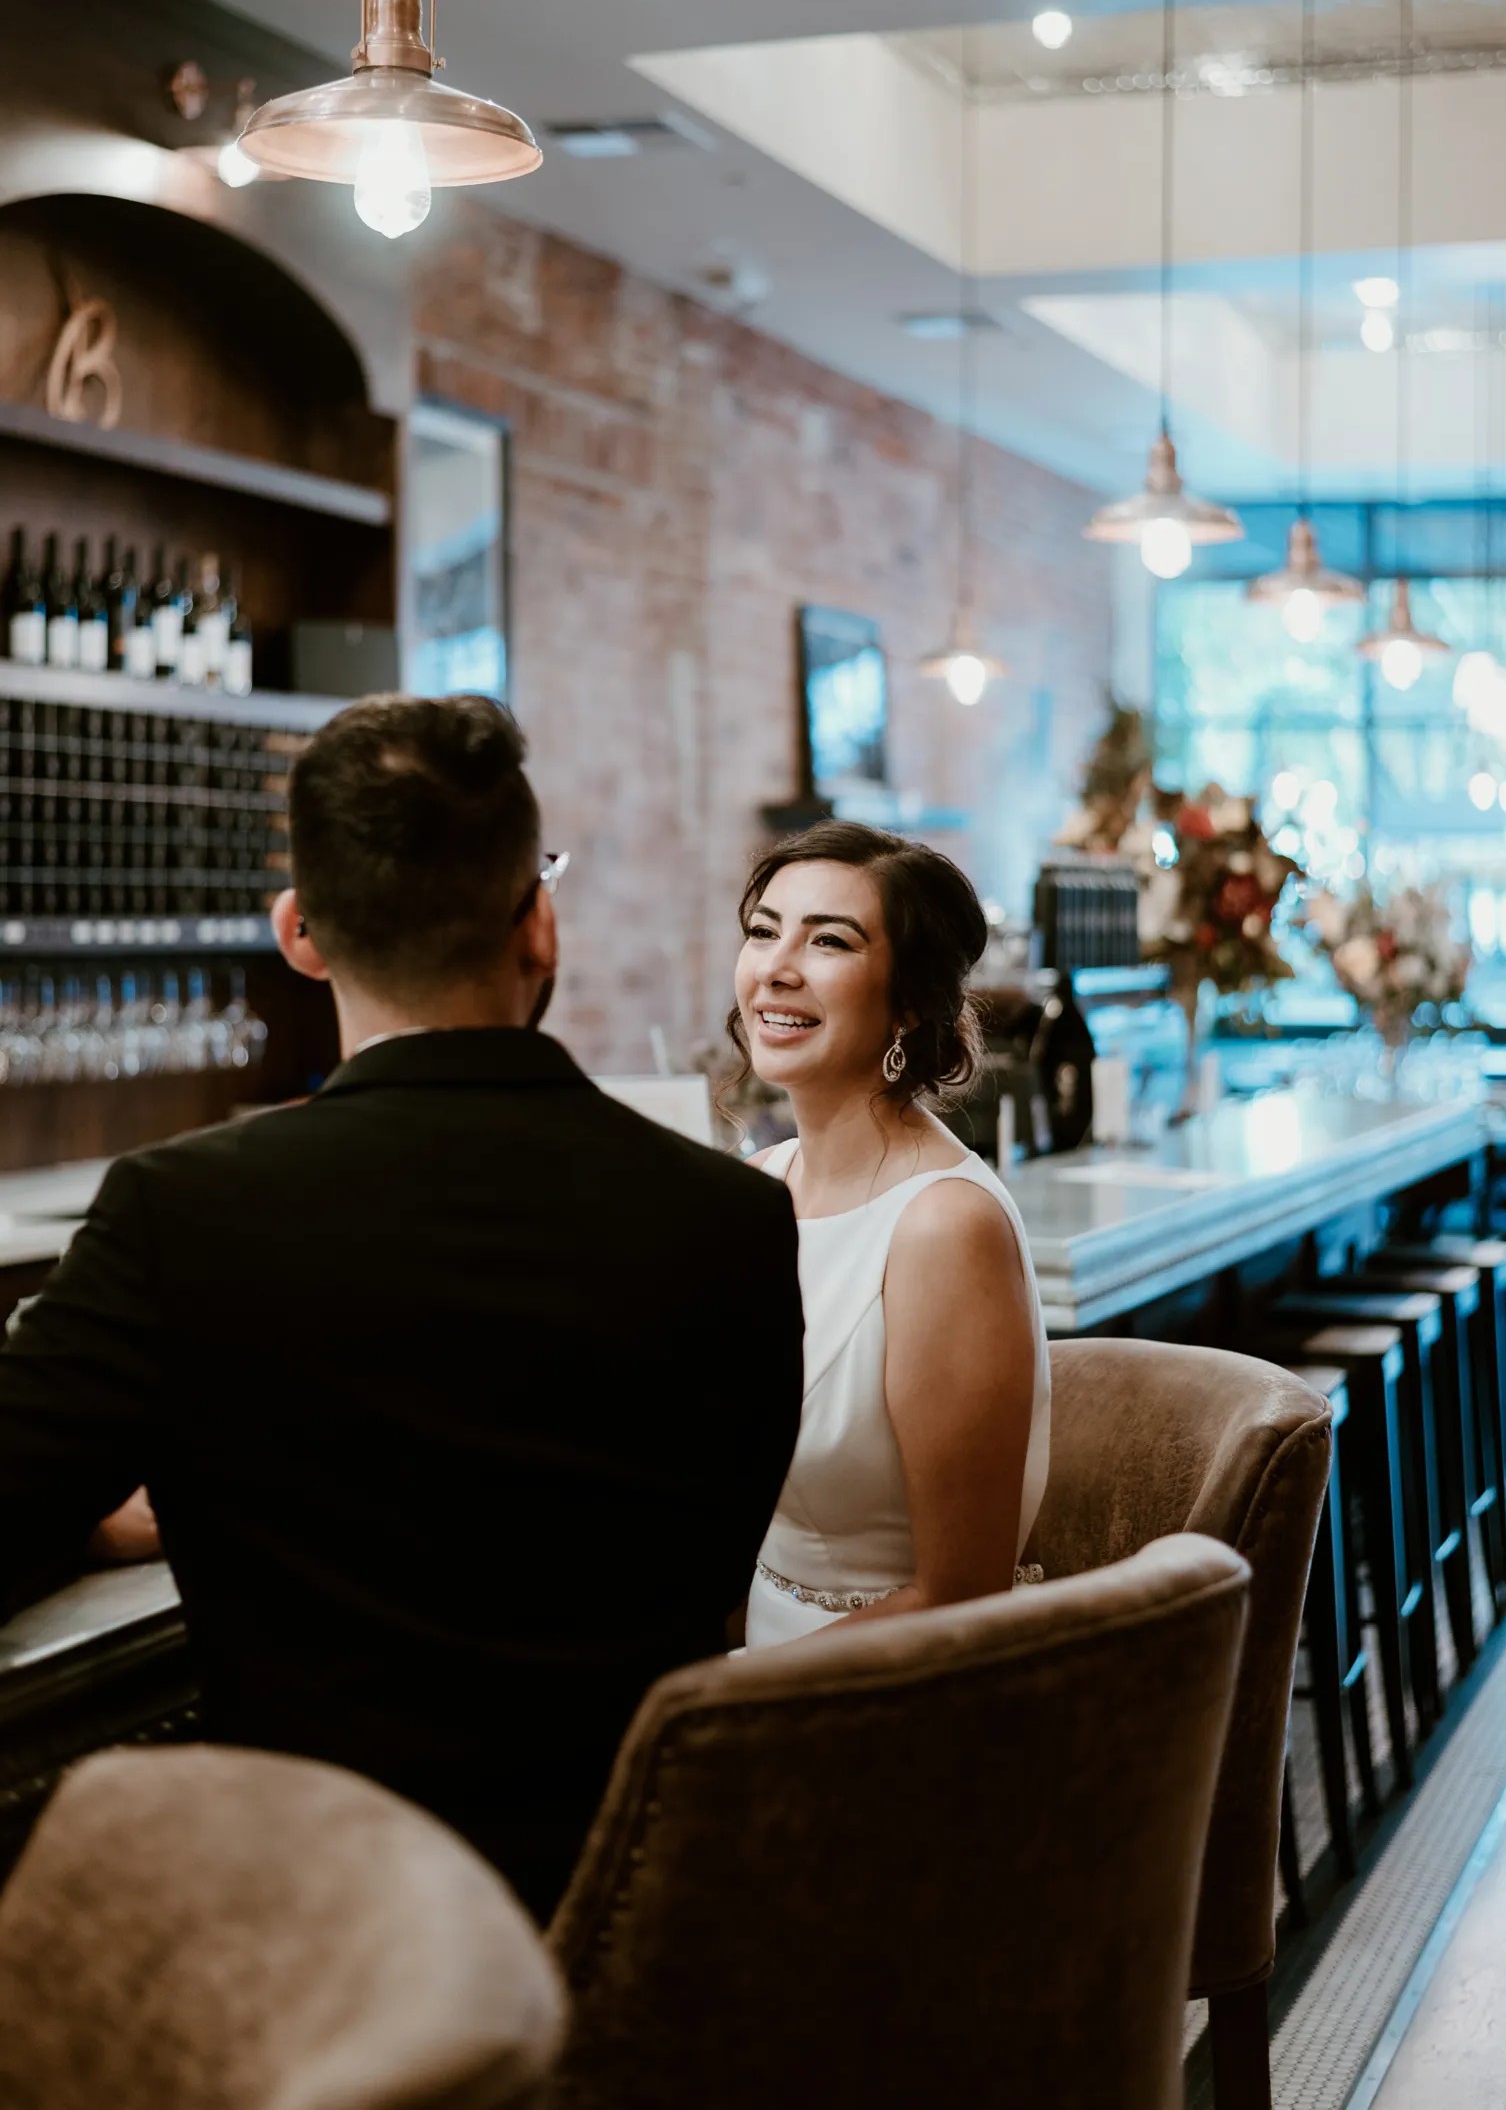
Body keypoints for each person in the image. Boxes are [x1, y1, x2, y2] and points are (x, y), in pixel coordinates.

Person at [0, 695, 804, 1917]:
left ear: (299, 934)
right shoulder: (733, 1218)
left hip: (318, 1956)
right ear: (541, 925)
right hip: (648, 1923)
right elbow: (728, 1546)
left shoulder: (180, 1212)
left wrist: (99, 1516)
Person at [730, 821, 1051, 1650]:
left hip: (899, 1694)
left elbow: (960, 1593)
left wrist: (722, 1693)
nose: (777, 967)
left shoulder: (944, 1226)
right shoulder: (759, 1186)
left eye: (829, 940)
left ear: (908, 1000)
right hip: (748, 1655)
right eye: (764, 930)